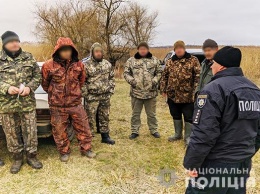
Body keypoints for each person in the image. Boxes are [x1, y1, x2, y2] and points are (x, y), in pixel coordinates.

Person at [184, 46, 260, 194]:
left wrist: (192, 163)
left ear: (221, 66)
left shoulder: (213, 90)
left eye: (214, 62)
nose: (211, 65)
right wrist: (246, 153)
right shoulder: (255, 91)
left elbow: (204, 133)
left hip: (216, 164)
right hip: (242, 163)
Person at [41, 37, 95, 162]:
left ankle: (86, 149)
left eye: (69, 50)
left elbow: (81, 81)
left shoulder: (79, 65)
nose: (66, 52)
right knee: (59, 130)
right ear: (58, 51)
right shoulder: (48, 65)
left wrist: (73, 93)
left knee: (83, 127)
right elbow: (45, 84)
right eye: (63, 50)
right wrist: (55, 94)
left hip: (75, 103)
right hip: (57, 105)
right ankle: (64, 151)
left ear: (72, 50)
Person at [0, 31, 43, 173]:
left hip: (27, 104)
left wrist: (30, 88)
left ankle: (31, 157)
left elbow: (38, 76)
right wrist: (7, 88)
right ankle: (17, 158)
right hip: (7, 105)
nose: (15, 43)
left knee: (31, 131)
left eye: (17, 41)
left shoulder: (28, 57)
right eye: (11, 41)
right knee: (11, 133)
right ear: (5, 44)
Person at [160, 40, 200, 145]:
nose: (179, 50)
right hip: (172, 95)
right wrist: (163, 89)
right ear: (174, 50)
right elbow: (164, 76)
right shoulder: (170, 61)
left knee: (188, 116)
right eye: (177, 48)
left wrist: (196, 91)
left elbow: (197, 76)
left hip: (188, 95)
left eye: (181, 48)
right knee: (175, 114)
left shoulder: (193, 60)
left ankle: (188, 137)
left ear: (184, 49)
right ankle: (177, 134)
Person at [124, 42, 162, 139]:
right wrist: (132, 81)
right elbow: (126, 73)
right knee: (135, 114)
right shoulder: (131, 61)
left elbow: (159, 72)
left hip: (151, 92)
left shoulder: (154, 60)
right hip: (136, 93)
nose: (143, 50)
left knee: (151, 114)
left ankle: (154, 130)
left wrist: (154, 81)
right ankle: (134, 131)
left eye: (144, 49)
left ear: (148, 49)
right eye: (141, 49)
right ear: (138, 50)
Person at [82, 43, 115, 145]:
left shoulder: (107, 64)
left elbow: (112, 78)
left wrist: (111, 89)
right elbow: (82, 81)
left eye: (100, 51)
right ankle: (88, 139)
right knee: (90, 119)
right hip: (92, 97)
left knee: (104, 116)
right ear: (92, 52)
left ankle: (105, 136)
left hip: (105, 96)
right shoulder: (86, 65)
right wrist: (86, 94)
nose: (98, 53)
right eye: (96, 51)